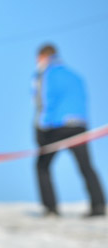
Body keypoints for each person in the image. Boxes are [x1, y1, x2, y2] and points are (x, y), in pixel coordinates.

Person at [33, 44, 105, 217]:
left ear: (43, 56)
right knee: (86, 166)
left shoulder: (45, 74)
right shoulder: (75, 75)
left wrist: (39, 129)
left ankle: (51, 209)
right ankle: (99, 205)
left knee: (42, 166)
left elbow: (41, 102)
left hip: (56, 126)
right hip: (79, 124)